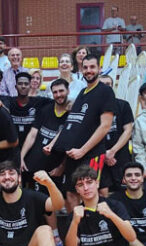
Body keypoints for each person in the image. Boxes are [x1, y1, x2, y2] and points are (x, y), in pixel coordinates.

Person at [51, 54, 115, 210]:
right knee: (71, 194)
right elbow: (73, 124)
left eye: (92, 67)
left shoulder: (105, 91)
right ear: (81, 69)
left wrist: (83, 150)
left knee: (93, 194)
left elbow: (105, 126)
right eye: (85, 67)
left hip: (91, 154)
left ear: (99, 69)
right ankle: (77, 232)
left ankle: (96, 231)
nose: (89, 71)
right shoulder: (82, 93)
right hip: (74, 155)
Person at [20, 78, 69, 246]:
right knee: (41, 203)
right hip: (35, 166)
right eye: (55, 92)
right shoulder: (46, 110)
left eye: (61, 91)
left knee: (58, 202)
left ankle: (65, 238)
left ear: (67, 91)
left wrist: (62, 166)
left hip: (56, 168)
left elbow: (72, 143)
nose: (58, 95)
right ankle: (53, 238)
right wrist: (21, 156)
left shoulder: (72, 114)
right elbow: (33, 135)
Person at [98, 75, 134, 195]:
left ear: (112, 86)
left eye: (108, 84)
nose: (105, 86)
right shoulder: (94, 108)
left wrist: (112, 151)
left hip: (120, 156)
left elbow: (128, 131)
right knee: (102, 194)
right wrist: (104, 154)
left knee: (125, 193)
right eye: (102, 84)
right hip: (100, 157)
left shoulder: (123, 105)